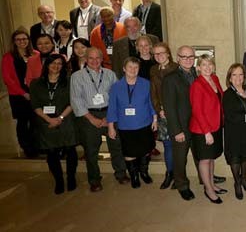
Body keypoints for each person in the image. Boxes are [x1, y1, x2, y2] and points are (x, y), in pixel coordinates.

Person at [70, 47, 127, 192]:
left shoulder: (110, 74)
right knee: (91, 150)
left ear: (102, 59)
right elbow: (76, 100)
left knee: (117, 146)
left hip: (110, 113)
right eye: (91, 58)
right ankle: (94, 180)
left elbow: (117, 96)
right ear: (85, 59)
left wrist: (109, 117)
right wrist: (92, 119)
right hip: (88, 116)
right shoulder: (77, 76)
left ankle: (121, 173)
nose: (94, 61)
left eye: (98, 58)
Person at [29, 54, 77, 194]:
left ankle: (71, 178)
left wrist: (60, 117)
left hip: (66, 119)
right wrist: (49, 119)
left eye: (59, 64)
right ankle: (59, 181)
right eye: (53, 63)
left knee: (70, 149)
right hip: (46, 122)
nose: (56, 66)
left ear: (63, 66)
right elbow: (35, 105)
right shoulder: (36, 83)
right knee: (51, 152)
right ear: (47, 65)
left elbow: (73, 102)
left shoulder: (69, 82)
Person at [107, 57, 158, 188]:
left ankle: (144, 172)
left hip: (144, 123)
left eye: (136, 67)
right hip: (125, 126)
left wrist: (155, 119)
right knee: (129, 152)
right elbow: (112, 108)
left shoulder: (146, 84)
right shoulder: (116, 87)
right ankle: (134, 175)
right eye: (130, 67)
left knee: (146, 150)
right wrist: (111, 127)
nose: (133, 70)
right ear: (124, 69)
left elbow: (152, 103)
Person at [162, 46, 198, 201]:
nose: (188, 60)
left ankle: (205, 178)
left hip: (198, 125)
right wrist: (177, 131)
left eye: (191, 57)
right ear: (177, 58)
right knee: (180, 158)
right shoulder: (170, 78)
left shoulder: (197, 74)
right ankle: (182, 185)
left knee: (200, 154)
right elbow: (169, 107)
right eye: (184, 57)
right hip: (181, 127)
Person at [189, 54, 225, 204]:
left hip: (215, 125)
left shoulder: (214, 80)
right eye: (204, 65)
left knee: (211, 158)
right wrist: (207, 132)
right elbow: (197, 111)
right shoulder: (197, 85)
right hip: (202, 129)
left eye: (210, 64)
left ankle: (212, 184)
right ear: (198, 68)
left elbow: (219, 102)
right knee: (204, 159)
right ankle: (208, 189)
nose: (207, 67)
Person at [222, 63, 246, 200]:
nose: (238, 78)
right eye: (234, 75)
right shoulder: (228, 94)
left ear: (244, 77)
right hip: (234, 132)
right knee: (236, 158)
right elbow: (231, 116)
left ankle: (243, 178)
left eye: (240, 74)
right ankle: (237, 183)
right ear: (230, 78)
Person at [2, 29, 39, 158]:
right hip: (18, 95)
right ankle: (27, 148)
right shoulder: (9, 57)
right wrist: (23, 93)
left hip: (35, 93)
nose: (22, 42)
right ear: (14, 42)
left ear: (28, 40)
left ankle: (36, 146)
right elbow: (8, 79)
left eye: (24, 39)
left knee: (36, 121)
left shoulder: (35, 54)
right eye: (18, 39)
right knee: (23, 122)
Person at [149, 42, 179, 189]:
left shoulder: (177, 68)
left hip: (177, 113)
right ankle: (170, 174)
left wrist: (171, 109)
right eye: (156, 54)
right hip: (162, 114)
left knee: (178, 146)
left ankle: (179, 176)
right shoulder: (153, 70)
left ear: (168, 53)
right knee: (167, 146)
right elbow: (153, 93)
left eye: (161, 53)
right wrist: (158, 110)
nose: (159, 56)